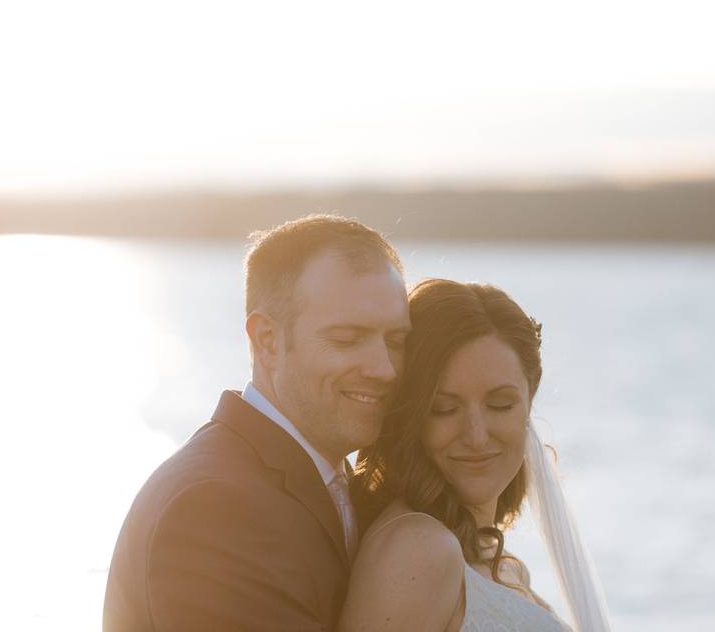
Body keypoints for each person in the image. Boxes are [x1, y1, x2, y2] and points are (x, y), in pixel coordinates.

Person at [103, 215, 411, 631]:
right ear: (266, 340)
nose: (385, 369)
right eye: (347, 339)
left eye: (395, 341)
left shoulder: (339, 486)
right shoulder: (214, 507)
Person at [340, 279, 611, 632]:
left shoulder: (495, 563)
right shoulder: (416, 552)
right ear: (411, 415)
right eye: (444, 408)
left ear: (530, 397)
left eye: (500, 404)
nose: (477, 437)